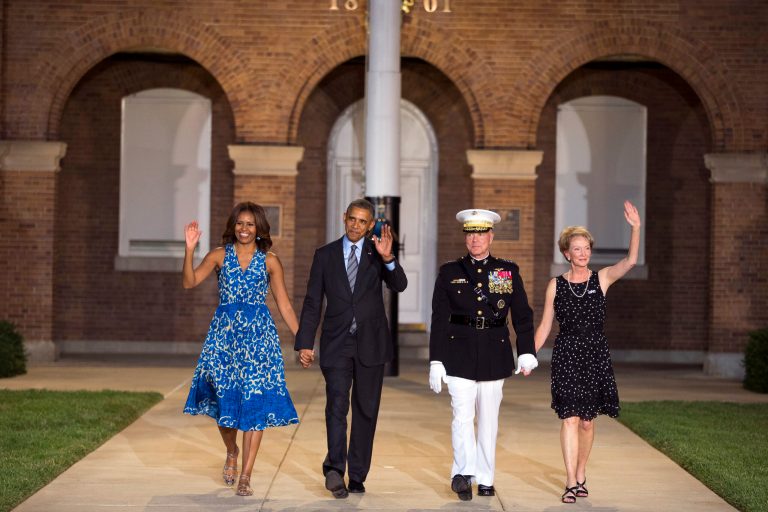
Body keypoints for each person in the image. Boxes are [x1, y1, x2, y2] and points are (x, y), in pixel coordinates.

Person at [182, 202, 300, 497]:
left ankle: (246, 476)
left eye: (250, 224)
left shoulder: (270, 261)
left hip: (260, 341)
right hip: (225, 340)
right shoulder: (219, 256)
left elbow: (284, 304)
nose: (244, 229)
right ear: (233, 226)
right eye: (239, 224)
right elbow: (190, 281)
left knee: (255, 406)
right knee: (224, 405)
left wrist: (302, 339)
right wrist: (189, 249)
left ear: (259, 227)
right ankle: (231, 450)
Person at [295, 198, 408, 499]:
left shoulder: (377, 253)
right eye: (352, 219)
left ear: (371, 224)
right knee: (336, 405)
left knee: (365, 410)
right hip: (337, 343)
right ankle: (335, 470)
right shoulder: (325, 255)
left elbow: (399, 284)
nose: (356, 225)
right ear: (344, 218)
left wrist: (388, 259)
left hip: (371, 343)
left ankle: (357, 473)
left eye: (363, 221)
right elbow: (312, 301)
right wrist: (305, 342)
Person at [534, 200, 641, 504]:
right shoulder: (555, 285)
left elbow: (631, 261)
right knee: (569, 417)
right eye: (576, 249)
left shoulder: (602, 278)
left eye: (586, 248)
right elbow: (544, 326)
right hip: (566, 354)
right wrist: (528, 356)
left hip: (594, 354)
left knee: (587, 421)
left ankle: (581, 472)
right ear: (566, 253)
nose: (582, 253)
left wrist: (635, 228)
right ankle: (570, 481)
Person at [428, 208, 539, 501]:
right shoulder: (450, 272)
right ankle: (463, 474)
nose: (475, 240)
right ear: (465, 237)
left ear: (490, 235)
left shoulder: (506, 271)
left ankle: (486, 477)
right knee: (461, 418)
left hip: (494, 351)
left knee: (489, 420)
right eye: (470, 234)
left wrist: (526, 351)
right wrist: (436, 360)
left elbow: (522, 316)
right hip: (458, 352)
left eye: (480, 234)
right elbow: (439, 318)